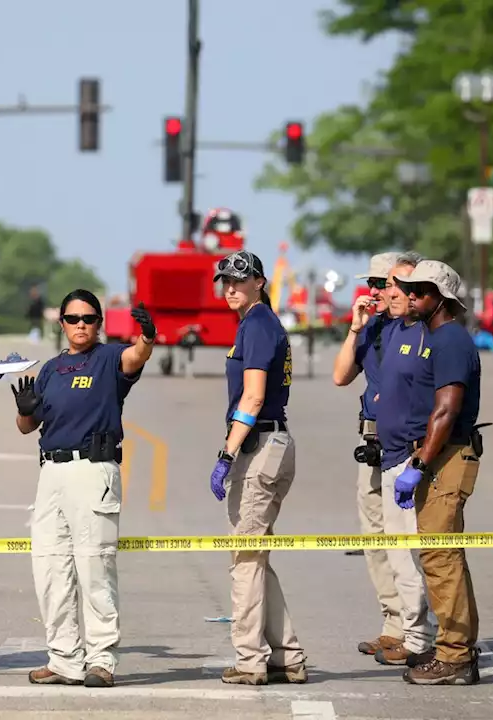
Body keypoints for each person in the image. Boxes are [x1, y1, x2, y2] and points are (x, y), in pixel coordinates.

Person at [13, 290, 156, 688]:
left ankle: (101, 660)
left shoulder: (109, 358)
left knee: (94, 568)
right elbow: (28, 427)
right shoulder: (51, 369)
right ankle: (63, 659)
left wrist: (147, 337)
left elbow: (136, 357)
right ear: (61, 323)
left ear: (99, 323)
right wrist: (25, 409)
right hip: (51, 474)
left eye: (89, 318)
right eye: (73, 318)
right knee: (50, 568)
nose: (81, 325)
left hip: (94, 471)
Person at [207, 249, 307, 686]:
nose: (230, 287)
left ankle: (250, 660)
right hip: (266, 441)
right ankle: (288, 656)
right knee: (256, 557)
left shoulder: (258, 325)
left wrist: (226, 454)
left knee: (245, 559)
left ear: (259, 282)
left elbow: (252, 397)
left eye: (239, 280)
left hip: (261, 442)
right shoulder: (254, 325)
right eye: (225, 280)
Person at [333, 251, 437, 665]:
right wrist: (355, 328)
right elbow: (341, 376)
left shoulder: (420, 331)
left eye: (384, 284)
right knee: (376, 539)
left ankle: (421, 631)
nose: (376, 291)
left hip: (406, 450)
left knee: (407, 543)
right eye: (373, 284)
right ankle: (395, 625)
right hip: (373, 443)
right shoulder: (375, 329)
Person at [391, 259, 484, 686]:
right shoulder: (436, 337)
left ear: (440, 299)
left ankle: (455, 658)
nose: (410, 295)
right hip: (437, 457)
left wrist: (420, 465)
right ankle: (454, 644)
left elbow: (446, 411)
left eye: (419, 291)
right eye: (408, 289)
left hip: (445, 458)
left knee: (440, 558)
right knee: (444, 558)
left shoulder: (449, 341)